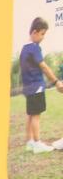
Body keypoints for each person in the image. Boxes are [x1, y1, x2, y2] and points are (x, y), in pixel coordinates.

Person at [19, 16, 63, 154]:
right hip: (36, 85)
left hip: (28, 87)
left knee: (31, 114)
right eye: (42, 33)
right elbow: (43, 67)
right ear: (34, 32)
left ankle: (30, 142)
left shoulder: (24, 48)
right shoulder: (34, 48)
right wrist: (56, 81)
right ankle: (37, 143)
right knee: (36, 115)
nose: (43, 37)